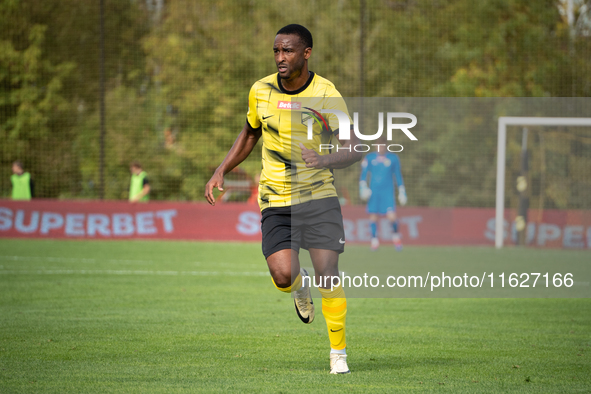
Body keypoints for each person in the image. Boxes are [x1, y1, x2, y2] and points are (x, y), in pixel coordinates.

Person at [205, 24, 361, 374]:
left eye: (287, 51)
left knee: (328, 272)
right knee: (282, 275)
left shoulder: (326, 94)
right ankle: (297, 286)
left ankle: (338, 354)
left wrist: (325, 159)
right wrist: (222, 169)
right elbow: (249, 133)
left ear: (306, 53)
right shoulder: (260, 91)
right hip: (276, 198)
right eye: (276, 51)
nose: (280, 57)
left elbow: (354, 148)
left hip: (319, 197)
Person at [359, 146, 407, 251]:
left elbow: (398, 174)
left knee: (392, 217)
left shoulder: (393, 158)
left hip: (388, 192)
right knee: (373, 216)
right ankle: (374, 241)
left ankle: (396, 237)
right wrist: (363, 187)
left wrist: (402, 190)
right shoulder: (370, 158)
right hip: (374, 192)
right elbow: (364, 174)